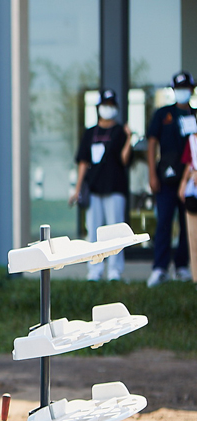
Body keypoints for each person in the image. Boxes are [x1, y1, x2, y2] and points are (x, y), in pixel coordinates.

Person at [69, 89, 132, 281]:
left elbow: (124, 159)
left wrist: (129, 138)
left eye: (112, 105)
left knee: (115, 232)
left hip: (115, 187)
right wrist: (77, 189)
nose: (108, 109)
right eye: (106, 105)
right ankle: (94, 270)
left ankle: (115, 270)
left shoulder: (120, 131)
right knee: (94, 231)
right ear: (99, 107)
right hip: (94, 188)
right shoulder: (90, 133)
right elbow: (83, 162)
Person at [146, 71, 195, 286]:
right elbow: (152, 143)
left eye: (186, 88)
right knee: (164, 222)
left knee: (188, 224)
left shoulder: (195, 115)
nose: (182, 92)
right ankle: (160, 268)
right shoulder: (163, 114)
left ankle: (182, 266)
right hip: (165, 177)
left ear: (192, 90)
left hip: (190, 179)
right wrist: (151, 173)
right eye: (179, 88)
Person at [176, 131, 197, 283]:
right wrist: (184, 181)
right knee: (193, 238)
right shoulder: (192, 139)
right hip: (193, 197)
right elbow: (190, 163)